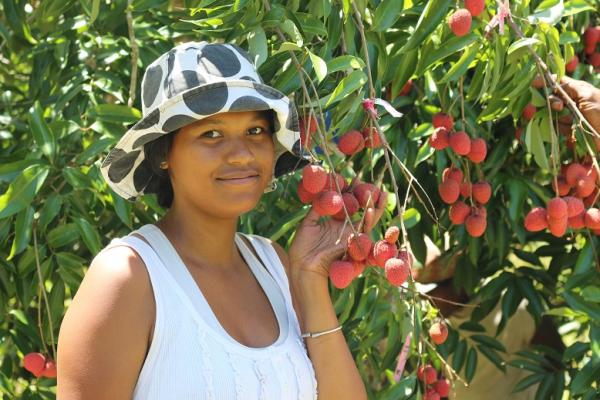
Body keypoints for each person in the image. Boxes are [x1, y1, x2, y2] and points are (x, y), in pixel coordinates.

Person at [56, 42, 387, 399]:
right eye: (211, 134)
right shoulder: (128, 276)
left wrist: (308, 278)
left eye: (255, 131)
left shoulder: (273, 264)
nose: (242, 154)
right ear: (164, 153)